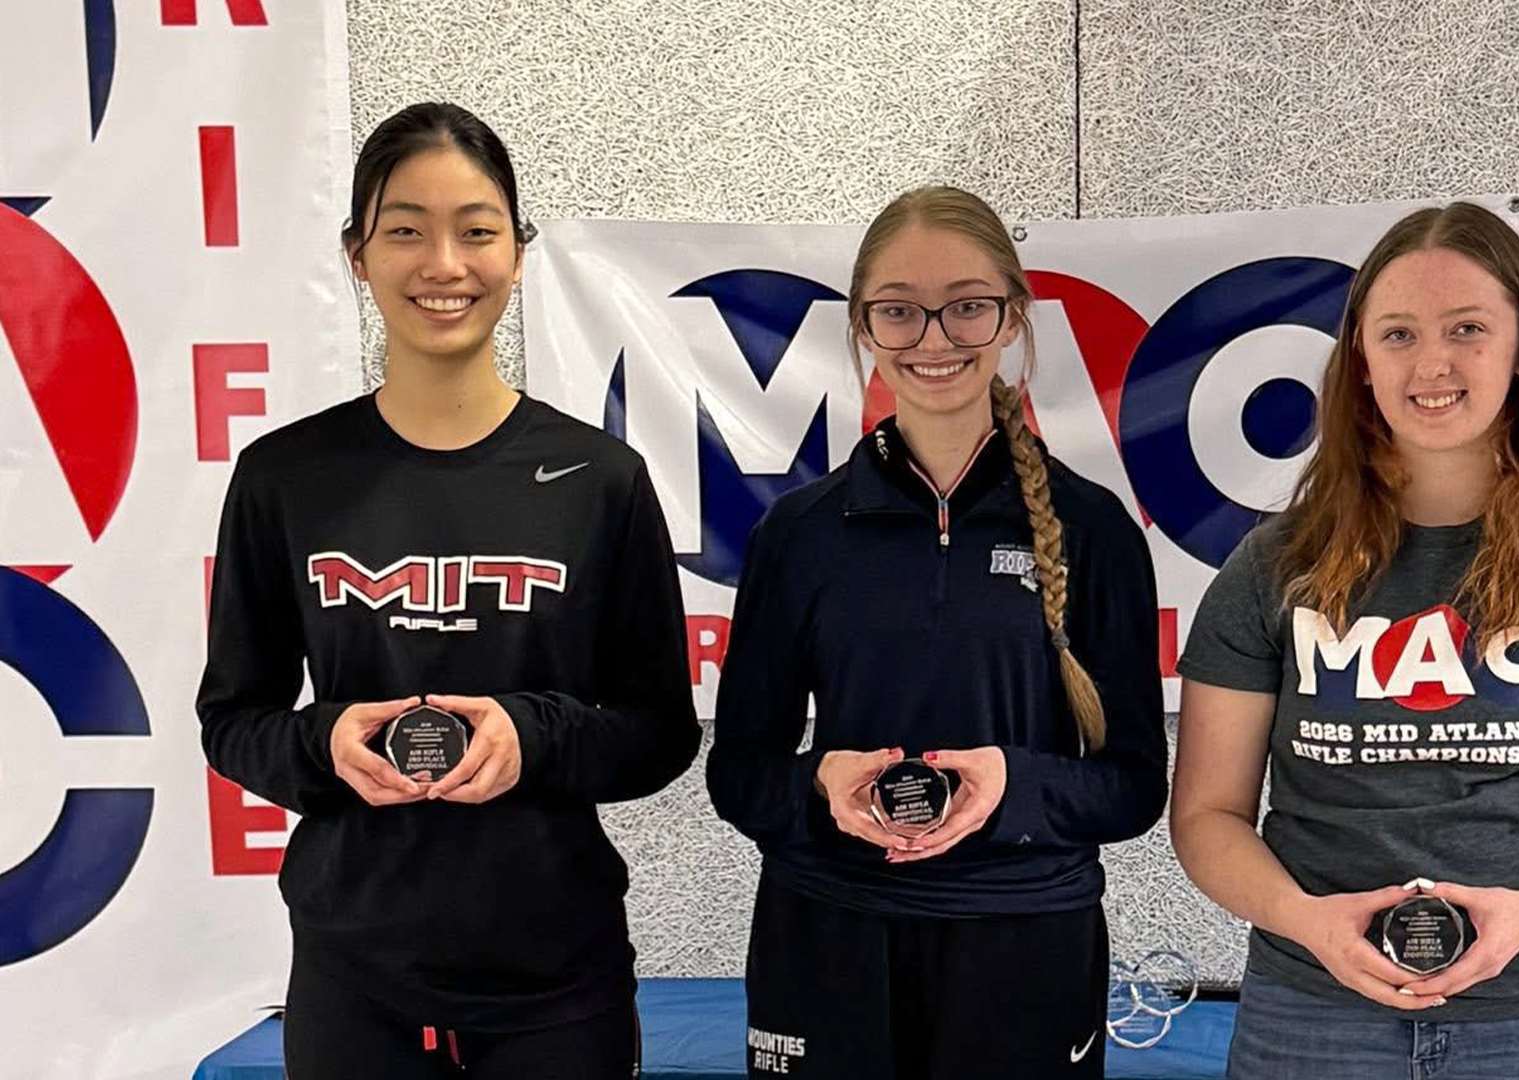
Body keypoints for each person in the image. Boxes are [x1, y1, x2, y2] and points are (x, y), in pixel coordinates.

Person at [198, 102, 699, 1079]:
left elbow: (659, 731)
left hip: (558, 986)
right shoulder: (284, 477)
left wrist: (534, 737)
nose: (444, 264)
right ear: (357, 254)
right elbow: (233, 720)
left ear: (517, 251)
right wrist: (323, 743)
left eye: (476, 230)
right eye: (405, 231)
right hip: (356, 979)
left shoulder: (600, 479)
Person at [1171, 201, 1519, 1079]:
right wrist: (1309, 921)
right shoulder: (1273, 566)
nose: (1432, 363)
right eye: (1397, 334)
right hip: (1313, 1016)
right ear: (1361, 360)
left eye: (1467, 328)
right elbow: (1205, 818)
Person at [705, 185, 1167, 1079]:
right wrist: (820, 785)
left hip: (1024, 945)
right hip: (830, 939)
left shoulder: (1093, 529)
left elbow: (1133, 788)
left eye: (966, 307)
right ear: (863, 326)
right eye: (900, 312)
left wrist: (1012, 784)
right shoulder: (800, 534)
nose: (934, 338)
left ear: (1012, 319)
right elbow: (739, 776)